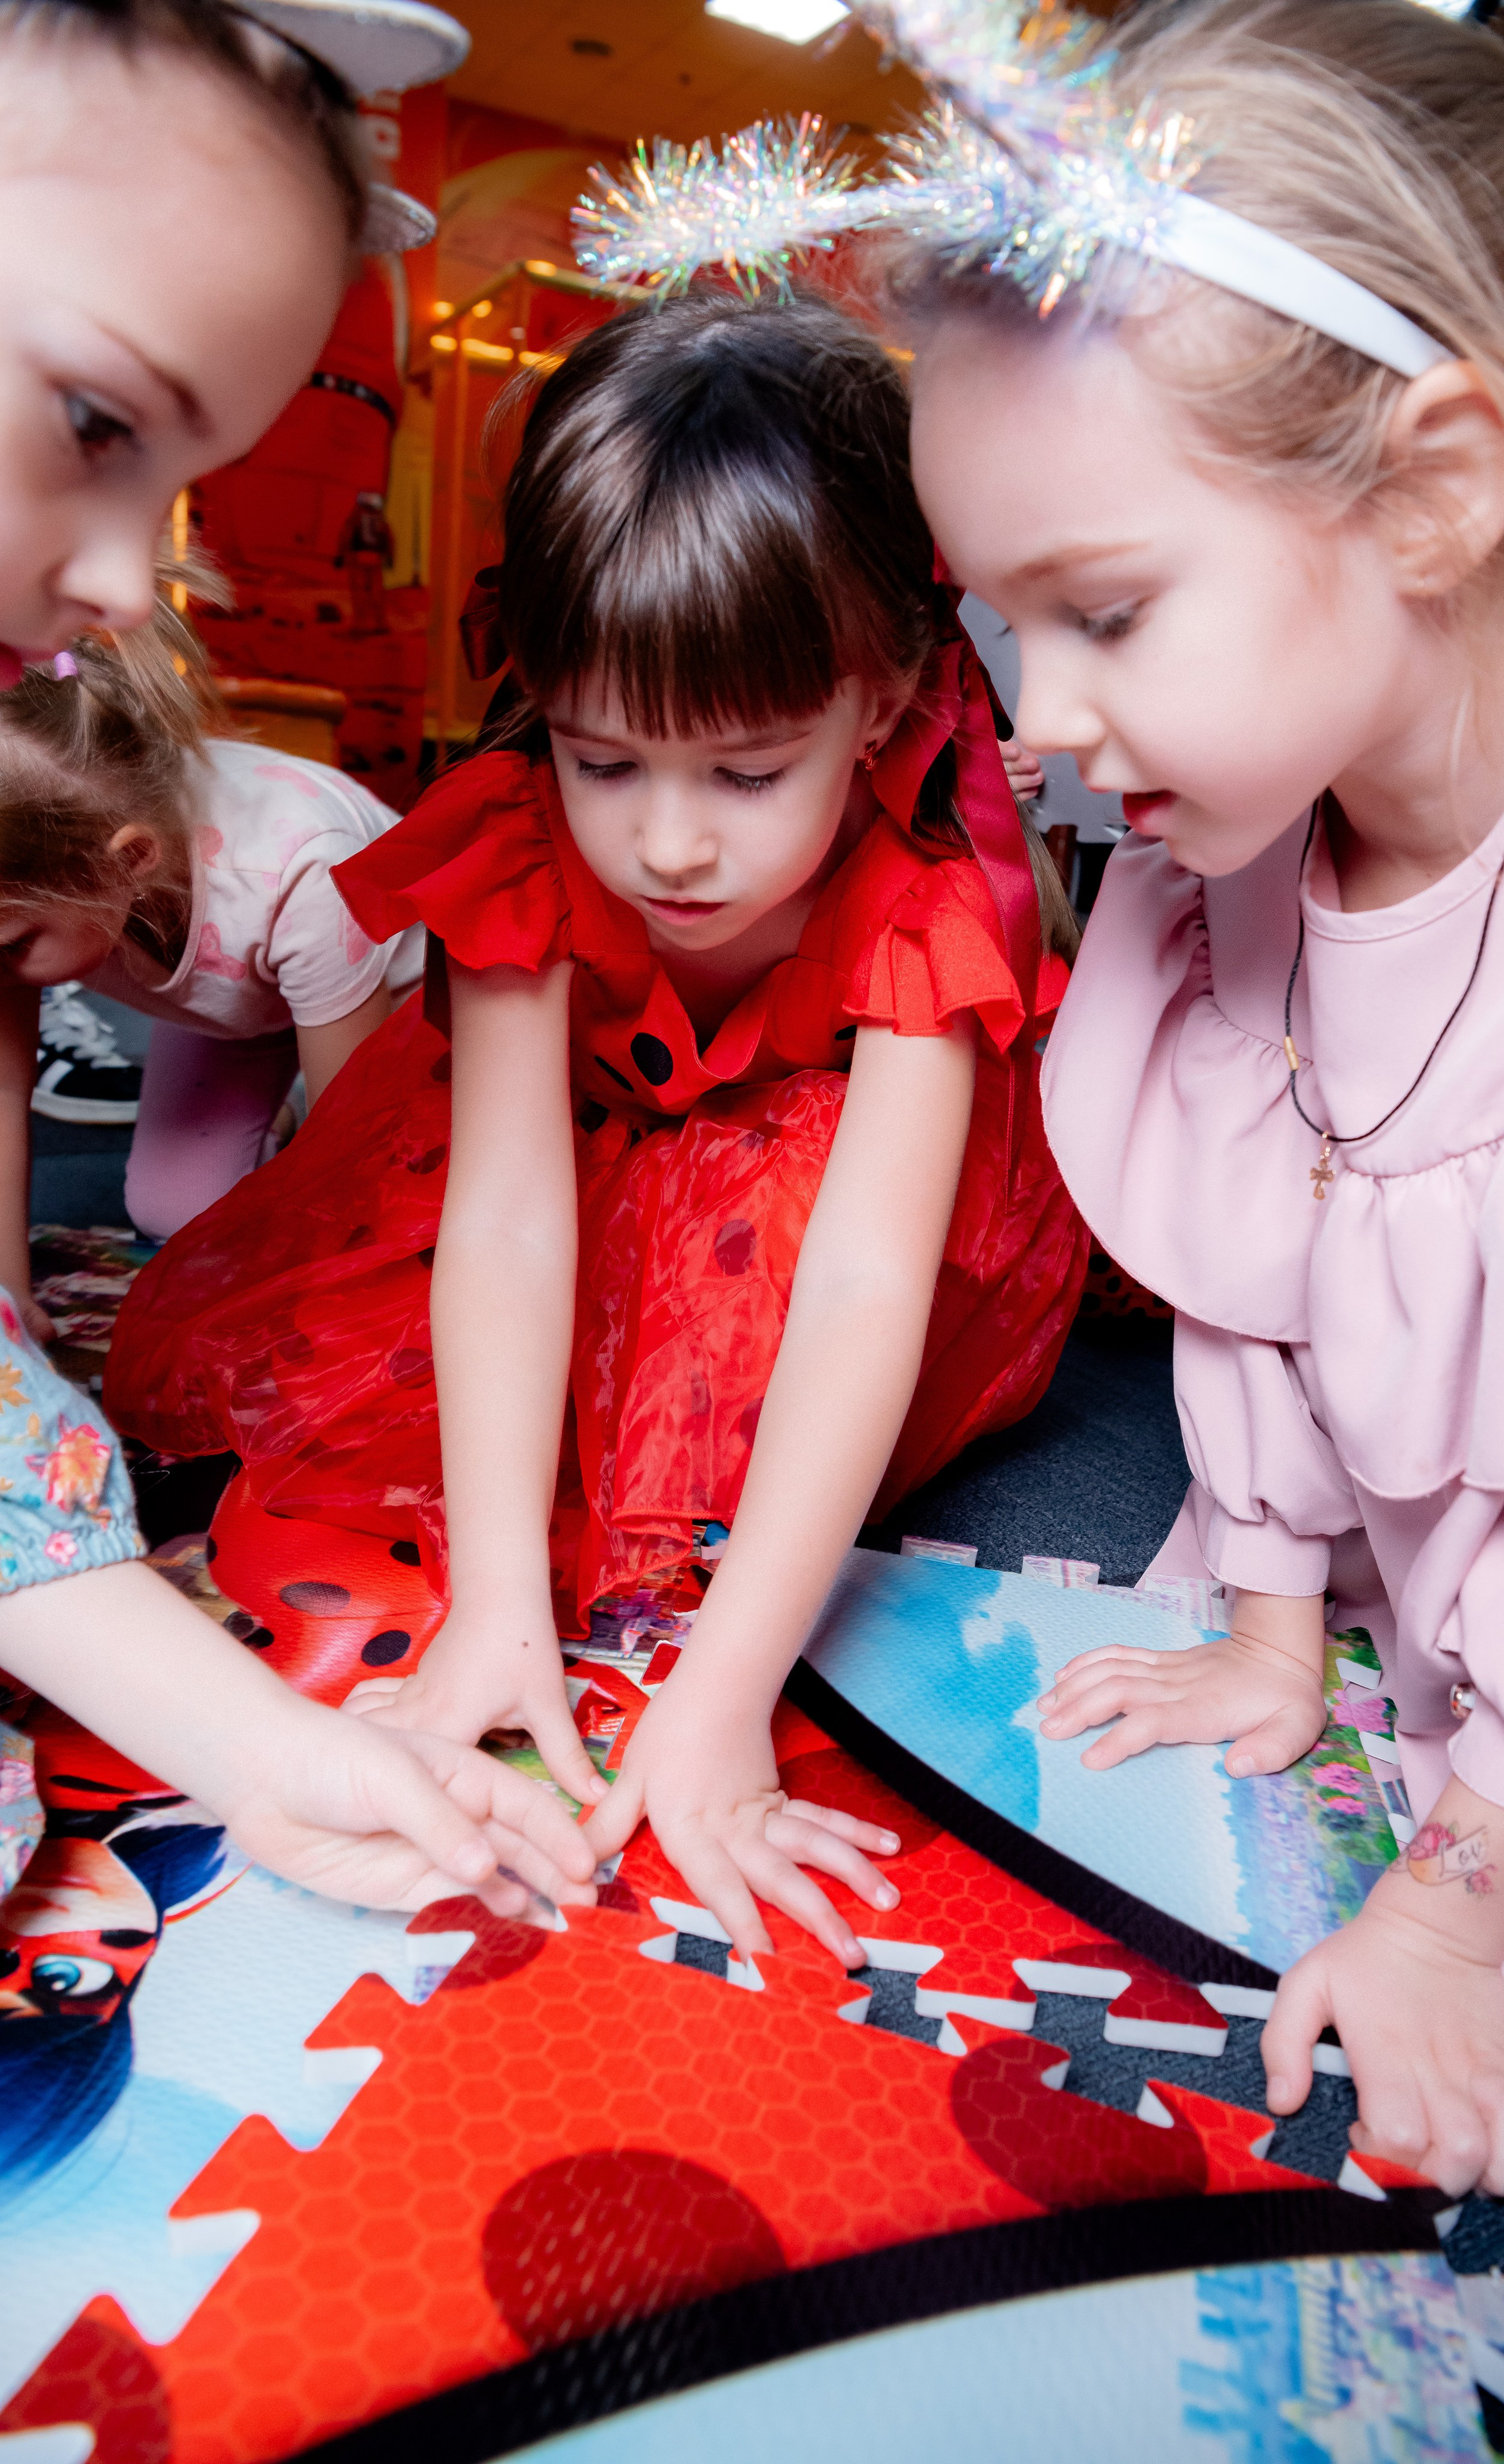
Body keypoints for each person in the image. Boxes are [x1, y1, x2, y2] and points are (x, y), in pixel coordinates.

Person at [883, 0, 1504, 2197]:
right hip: (1436, 1619)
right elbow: (1265, 1247)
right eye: (1006, 627)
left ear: (1433, 487)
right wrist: (1270, 1623)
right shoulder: (1226, 819)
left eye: (1105, 610)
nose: (1037, 716)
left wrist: (1455, 1895)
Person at [106, 292, 1091, 1969]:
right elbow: (501, 1214)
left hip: (834, 1202)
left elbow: (865, 1287)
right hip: (589, 1142)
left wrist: (720, 1699)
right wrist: (497, 1597)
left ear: (878, 700)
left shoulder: (923, 882)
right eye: (602, 757)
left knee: (733, 1410)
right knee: (336, 1330)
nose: (668, 845)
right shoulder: (520, 839)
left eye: (747, 771)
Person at [0, 0, 599, 1920]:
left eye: (161, 477)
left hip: (308, 1011)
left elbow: (360, 1115)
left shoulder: (300, 866)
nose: (119, 582)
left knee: (223, 1199)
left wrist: (260, 1749)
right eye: (94, 422)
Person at [0, 571, 424, 1306]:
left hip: (407, 996)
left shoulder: (302, 868)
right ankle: (274, 1105)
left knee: (401, 1209)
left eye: (13, 944)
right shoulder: (48, 887)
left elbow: (348, 1137)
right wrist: (10, 1302)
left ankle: (293, 1102)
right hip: (242, 1003)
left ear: (128, 863)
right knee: (172, 1212)